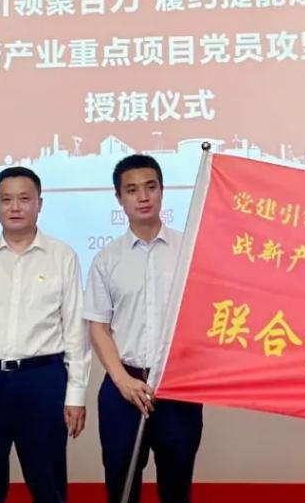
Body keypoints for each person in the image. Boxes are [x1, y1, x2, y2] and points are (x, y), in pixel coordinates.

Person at [0, 166, 90, 503]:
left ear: (40, 204)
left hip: (43, 380)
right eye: (6, 199)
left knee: (48, 484)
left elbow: (75, 331)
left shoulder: (63, 257)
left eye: (24, 199)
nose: (15, 207)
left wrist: (76, 394)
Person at [85, 155, 202, 503]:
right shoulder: (107, 259)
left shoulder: (190, 249)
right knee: (121, 485)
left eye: (151, 187)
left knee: (176, 486)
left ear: (162, 191)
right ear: (119, 198)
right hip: (124, 385)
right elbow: (98, 326)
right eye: (132, 190)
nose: (143, 197)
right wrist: (122, 380)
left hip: (177, 386)